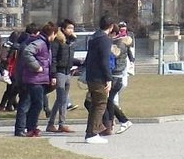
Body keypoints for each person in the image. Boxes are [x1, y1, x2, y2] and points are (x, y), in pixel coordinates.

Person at [12, 23, 51, 138]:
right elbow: (24, 61)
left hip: (26, 77)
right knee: (25, 104)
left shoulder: (26, 42)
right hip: (26, 78)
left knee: (31, 103)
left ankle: (29, 127)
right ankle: (20, 129)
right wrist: (36, 67)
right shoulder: (28, 44)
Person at [82, 16, 115, 144]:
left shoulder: (94, 38)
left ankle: (91, 131)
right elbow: (104, 61)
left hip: (91, 76)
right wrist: (109, 79)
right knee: (100, 105)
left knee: (96, 104)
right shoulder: (105, 40)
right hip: (99, 77)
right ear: (111, 26)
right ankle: (92, 133)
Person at [103, 22, 135, 135]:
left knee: (108, 100)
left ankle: (123, 121)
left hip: (116, 76)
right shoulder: (118, 42)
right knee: (109, 100)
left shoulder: (118, 44)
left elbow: (113, 56)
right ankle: (111, 123)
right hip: (117, 76)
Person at [45, 20, 75, 134]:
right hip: (60, 72)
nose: (71, 30)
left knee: (63, 99)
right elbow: (53, 59)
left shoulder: (70, 41)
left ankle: (59, 123)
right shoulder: (58, 41)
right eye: (69, 28)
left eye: (72, 28)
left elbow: (69, 58)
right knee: (61, 98)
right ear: (63, 29)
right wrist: (53, 75)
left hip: (68, 72)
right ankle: (53, 123)